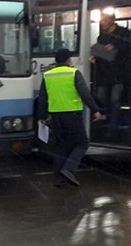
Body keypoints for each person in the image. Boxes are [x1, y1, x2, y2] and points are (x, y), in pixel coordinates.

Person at [36, 49, 103, 187]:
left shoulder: (47, 75)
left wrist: (41, 117)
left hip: (55, 116)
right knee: (82, 143)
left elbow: (42, 99)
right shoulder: (73, 73)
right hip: (72, 114)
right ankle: (69, 169)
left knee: (61, 146)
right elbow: (85, 94)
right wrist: (95, 110)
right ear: (68, 60)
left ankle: (58, 180)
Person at [92, 14, 131, 123]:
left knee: (115, 99)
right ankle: (108, 115)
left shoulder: (123, 33)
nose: (102, 23)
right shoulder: (101, 36)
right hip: (104, 74)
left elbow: (129, 48)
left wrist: (115, 47)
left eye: (104, 20)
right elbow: (99, 51)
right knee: (100, 96)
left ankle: (113, 123)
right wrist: (94, 57)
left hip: (119, 74)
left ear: (112, 20)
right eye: (102, 20)